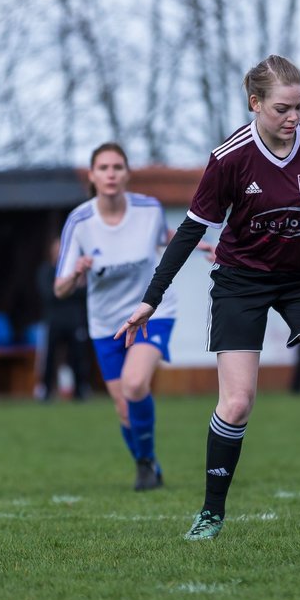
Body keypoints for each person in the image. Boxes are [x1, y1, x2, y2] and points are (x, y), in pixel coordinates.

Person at [116, 55, 300, 539]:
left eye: (299, 106)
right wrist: (151, 297)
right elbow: (190, 230)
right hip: (241, 281)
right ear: (255, 103)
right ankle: (211, 512)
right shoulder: (229, 158)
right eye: (282, 109)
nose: (294, 118)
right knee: (237, 403)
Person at [55, 142, 187, 490]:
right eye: (104, 168)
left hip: (151, 312)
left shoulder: (149, 209)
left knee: (134, 383)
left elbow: (162, 238)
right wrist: (76, 274)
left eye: (117, 167)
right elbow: (59, 289)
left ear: (127, 174)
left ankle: (145, 466)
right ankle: (148, 463)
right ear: (92, 176)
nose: (111, 174)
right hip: (106, 324)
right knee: (124, 408)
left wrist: (191, 241)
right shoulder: (80, 221)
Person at [36, 236, 89, 401]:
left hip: (75, 320)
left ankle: (80, 391)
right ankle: (45, 392)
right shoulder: (46, 271)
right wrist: (71, 288)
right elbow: (49, 294)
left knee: (78, 357)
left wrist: (64, 290)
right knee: (49, 357)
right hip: (53, 321)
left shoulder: (75, 272)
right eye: (57, 249)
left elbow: (84, 293)